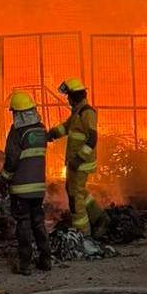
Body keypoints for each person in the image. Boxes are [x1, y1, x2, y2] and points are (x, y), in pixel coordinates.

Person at [0, 90, 51, 275]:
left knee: (24, 223)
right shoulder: (41, 130)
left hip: (21, 188)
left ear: (18, 113)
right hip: (39, 187)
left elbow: (12, 159)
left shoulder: (17, 132)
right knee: (38, 222)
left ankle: (25, 264)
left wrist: (3, 178)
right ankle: (46, 259)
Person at [47, 77, 108, 237]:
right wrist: (52, 133)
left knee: (75, 197)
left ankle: (83, 232)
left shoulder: (87, 112)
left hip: (81, 163)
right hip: (75, 162)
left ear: (74, 96)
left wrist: (79, 159)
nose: (67, 99)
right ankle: (99, 217)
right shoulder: (78, 112)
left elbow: (92, 138)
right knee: (76, 190)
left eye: (69, 96)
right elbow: (67, 127)